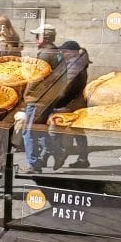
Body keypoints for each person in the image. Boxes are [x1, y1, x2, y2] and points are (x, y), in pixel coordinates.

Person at [20, 22, 64, 172]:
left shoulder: (45, 55)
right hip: (48, 99)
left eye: (37, 36)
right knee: (40, 131)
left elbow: (36, 78)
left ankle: (34, 164)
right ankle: (58, 152)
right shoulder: (57, 53)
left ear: (45, 37)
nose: (35, 39)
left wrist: (27, 96)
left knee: (29, 131)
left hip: (37, 100)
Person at [47, 39, 90, 169]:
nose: (62, 53)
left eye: (64, 51)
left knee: (53, 131)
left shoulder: (74, 66)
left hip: (69, 104)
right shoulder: (77, 63)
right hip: (77, 103)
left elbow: (66, 89)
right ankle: (83, 159)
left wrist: (56, 103)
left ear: (72, 52)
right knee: (78, 131)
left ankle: (61, 153)